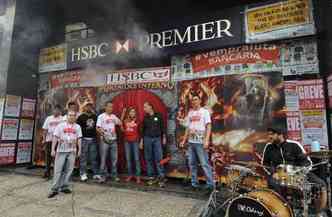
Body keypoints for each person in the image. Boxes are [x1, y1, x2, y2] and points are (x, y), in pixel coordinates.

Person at [262, 127, 327, 217]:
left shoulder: (294, 145)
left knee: (321, 184)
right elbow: (265, 164)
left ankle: (319, 212)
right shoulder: (268, 147)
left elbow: (307, 162)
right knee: (272, 183)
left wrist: (297, 172)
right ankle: (283, 211)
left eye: (272, 134)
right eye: (268, 134)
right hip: (279, 174)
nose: (269, 137)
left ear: (280, 134)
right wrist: (273, 173)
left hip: (298, 173)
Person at [179, 94, 214, 192]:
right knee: (192, 163)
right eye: (192, 100)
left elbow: (209, 126)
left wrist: (206, 140)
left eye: (195, 99)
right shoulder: (190, 113)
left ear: (200, 101)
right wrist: (184, 140)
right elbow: (187, 128)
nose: (194, 102)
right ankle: (194, 184)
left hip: (200, 142)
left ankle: (210, 185)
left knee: (204, 163)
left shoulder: (204, 112)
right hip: (191, 142)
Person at [48, 110, 82, 198]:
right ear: (67, 116)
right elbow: (55, 137)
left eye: (74, 115)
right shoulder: (60, 126)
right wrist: (53, 149)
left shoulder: (77, 127)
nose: (72, 117)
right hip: (61, 151)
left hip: (72, 151)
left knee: (69, 170)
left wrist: (79, 150)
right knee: (58, 170)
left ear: (75, 117)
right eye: (70, 115)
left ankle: (64, 186)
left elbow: (79, 139)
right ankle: (54, 189)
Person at [141, 102, 166, 187]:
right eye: (144, 107)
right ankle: (151, 177)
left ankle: (161, 177)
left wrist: (164, 137)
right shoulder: (145, 118)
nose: (144, 109)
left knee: (159, 158)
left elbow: (163, 127)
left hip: (157, 139)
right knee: (149, 158)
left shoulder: (158, 115)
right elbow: (143, 130)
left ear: (150, 107)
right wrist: (141, 141)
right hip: (147, 139)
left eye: (145, 107)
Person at [96, 101, 122, 183]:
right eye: (109, 107)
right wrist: (103, 133)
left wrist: (117, 121)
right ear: (105, 107)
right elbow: (97, 128)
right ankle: (103, 176)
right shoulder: (101, 116)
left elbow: (120, 122)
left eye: (112, 107)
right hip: (104, 140)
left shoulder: (114, 116)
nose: (111, 108)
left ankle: (114, 175)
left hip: (113, 140)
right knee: (103, 159)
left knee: (114, 159)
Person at [76, 102, 98, 182]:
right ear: (84, 107)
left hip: (93, 139)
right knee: (83, 157)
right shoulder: (81, 117)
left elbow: (97, 127)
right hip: (84, 139)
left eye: (90, 106)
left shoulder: (95, 116)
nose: (89, 108)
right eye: (87, 106)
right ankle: (83, 173)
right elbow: (77, 128)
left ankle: (95, 173)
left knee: (93, 157)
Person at [42, 105, 63, 179]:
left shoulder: (62, 119)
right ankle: (47, 172)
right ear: (53, 110)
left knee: (57, 158)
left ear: (60, 111)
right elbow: (45, 130)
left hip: (59, 141)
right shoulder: (49, 118)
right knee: (48, 157)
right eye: (54, 110)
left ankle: (56, 174)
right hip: (49, 140)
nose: (55, 111)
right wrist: (44, 139)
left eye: (57, 110)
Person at [121, 107, 142, 184]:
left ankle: (138, 176)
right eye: (131, 112)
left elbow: (141, 131)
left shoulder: (138, 120)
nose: (132, 113)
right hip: (127, 141)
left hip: (135, 141)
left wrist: (141, 141)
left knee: (136, 159)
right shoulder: (126, 120)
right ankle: (130, 175)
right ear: (129, 113)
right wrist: (123, 113)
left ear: (135, 113)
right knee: (128, 159)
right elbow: (121, 125)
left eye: (133, 112)